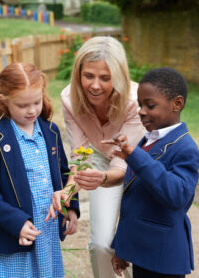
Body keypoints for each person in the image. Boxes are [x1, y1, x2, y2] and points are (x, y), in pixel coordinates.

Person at [48, 36, 146, 278]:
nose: (95, 85)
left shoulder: (135, 102)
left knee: (140, 246)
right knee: (101, 244)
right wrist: (67, 194)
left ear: (119, 76)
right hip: (102, 163)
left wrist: (101, 178)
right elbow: (80, 156)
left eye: (105, 78)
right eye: (88, 75)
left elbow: (124, 163)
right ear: (78, 73)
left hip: (142, 166)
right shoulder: (70, 99)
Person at [0, 63, 79, 278]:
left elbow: (64, 173)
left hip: (47, 231)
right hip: (16, 235)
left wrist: (72, 207)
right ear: (5, 102)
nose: (32, 110)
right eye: (23, 105)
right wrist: (17, 223)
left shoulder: (51, 132)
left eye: (36, 102)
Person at [103, 67, 199, 278]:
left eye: (150, 105)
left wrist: (136, 157)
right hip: (142, 253)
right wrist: (123, 248)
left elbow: (177, 195)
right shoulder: (148, 140)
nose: (141, 111)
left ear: (177, 104)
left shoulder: (185, 147)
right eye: (139, 105)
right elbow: (133, 201)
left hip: (163, 258)